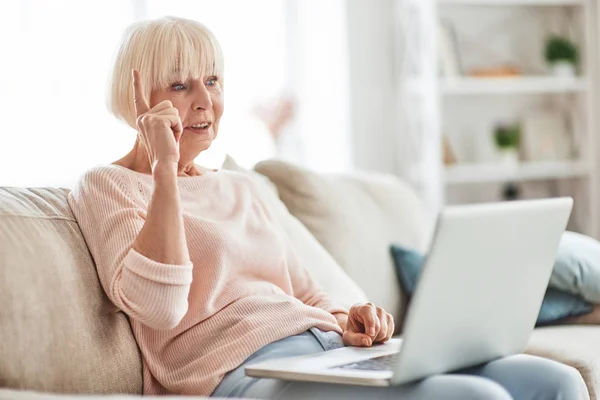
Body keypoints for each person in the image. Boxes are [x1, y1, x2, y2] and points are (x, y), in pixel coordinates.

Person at [68, 16, 588, 400]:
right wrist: (163, 165)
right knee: (479, 399)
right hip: (246, 377)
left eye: (213, 80)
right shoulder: (107, 185)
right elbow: (158, 307)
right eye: (180, 85)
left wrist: (350, 319)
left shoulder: (242, 188)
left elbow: (307, 293)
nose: (204, 100)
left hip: (325, 353)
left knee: (557, 382)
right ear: (137, 97)